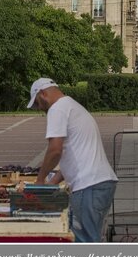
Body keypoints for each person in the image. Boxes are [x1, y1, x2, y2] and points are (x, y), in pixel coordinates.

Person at [28, 77, 117, 243]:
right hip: (100, 183)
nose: (39, 108)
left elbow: (55, 150)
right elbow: (74, 155)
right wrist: (52, 183)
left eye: (37, 103)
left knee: (84, 242)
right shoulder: (72, 106)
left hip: (88, 186)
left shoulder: (57, 109)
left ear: (43, 93)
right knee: (91, 238)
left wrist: (40, 180)